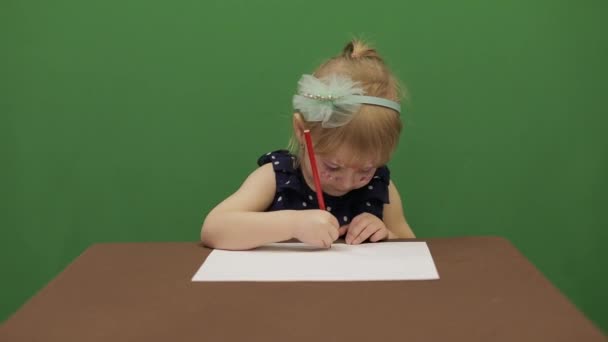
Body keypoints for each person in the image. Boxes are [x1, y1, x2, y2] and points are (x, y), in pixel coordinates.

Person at [201, 39, 415, 250]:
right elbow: (213, 229)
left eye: (365, 170)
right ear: (302, 132)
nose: (346, 183)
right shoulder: (278, 178)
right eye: (333, 166)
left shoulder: (379, 185)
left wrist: (386, 235)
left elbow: (411, 246)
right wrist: (293, 224)